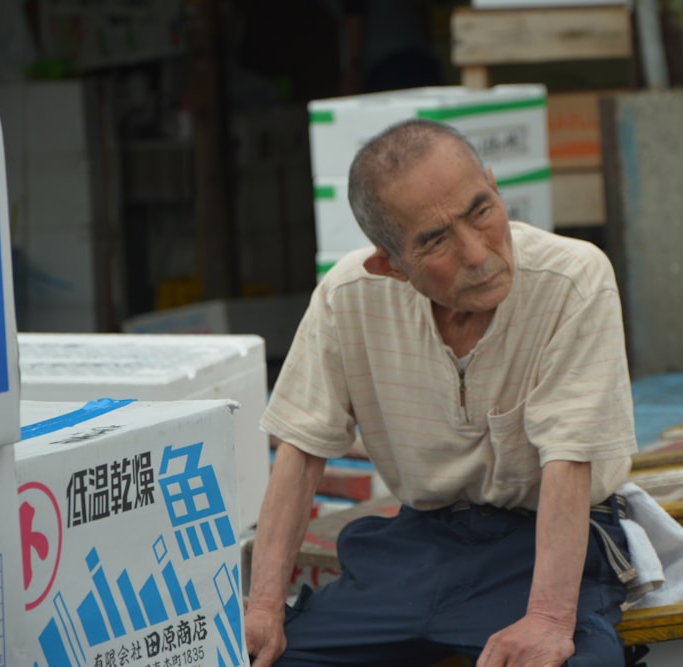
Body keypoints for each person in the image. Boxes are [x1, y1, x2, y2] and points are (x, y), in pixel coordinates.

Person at [245, 118, 641, 667]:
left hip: (540, 546)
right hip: (418, 546)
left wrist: (548, 620)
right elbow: (301, 449)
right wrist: (263, 606)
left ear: (497, 188)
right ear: (391, 265)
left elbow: (568, 459)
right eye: (434, 240)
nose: (477, 254)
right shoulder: (347, 296)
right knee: (269, 658)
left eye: (481, 211)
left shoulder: (573, 279)